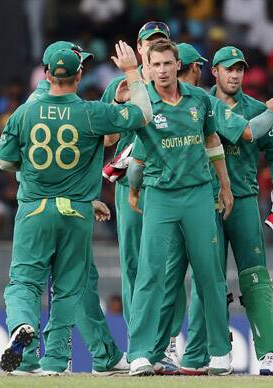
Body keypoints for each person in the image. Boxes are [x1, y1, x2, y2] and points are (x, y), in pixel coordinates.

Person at [0, 41, 151, 375]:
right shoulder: (91, 112)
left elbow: (5, 161)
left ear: (47, 73)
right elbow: (143, 115)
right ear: (79, 74)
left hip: (34, 209)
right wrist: (131, 72)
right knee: (68, 287)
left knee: (24, 282)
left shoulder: (25, 111)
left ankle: (23, 334)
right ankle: (54, 360)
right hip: (76, 211)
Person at [133, 43, 273, 376]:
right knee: (201, 277)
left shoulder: (229, 104)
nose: (234, 74)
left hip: (241, 198)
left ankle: (269, 352)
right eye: (226, 68)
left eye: (239, 68)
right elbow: (245, 133)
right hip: (202, 199)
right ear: (209, 71)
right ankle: (193, 352)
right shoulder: (207, 103)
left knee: (253, 276)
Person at [124, 40, 233, 376]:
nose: (162, 70)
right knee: (150, 273)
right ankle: (140, 354)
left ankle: (219, 352)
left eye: (167, 64)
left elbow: (212, 141)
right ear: (149, 67)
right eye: (155, 65)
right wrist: (133, 190)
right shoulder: (144, 102)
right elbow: (137, 156)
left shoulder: (199, 99)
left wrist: (225, 185)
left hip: (199, 193)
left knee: (209, 273)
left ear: (177, 64)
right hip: (160, 195)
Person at [99, 23, 180, 345]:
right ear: (138, 48)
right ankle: (139, 341)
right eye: (148, 44)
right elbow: (108, 139)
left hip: (167, 184)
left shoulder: (173, 88)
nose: (152, 49)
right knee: (133, 262)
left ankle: (169, 339)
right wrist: (120, 105)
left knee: (169, 263)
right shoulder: (119, 86)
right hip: (129, 186)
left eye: (160, 44)